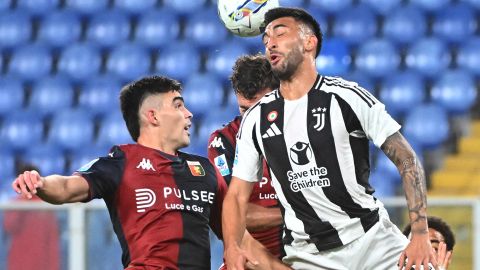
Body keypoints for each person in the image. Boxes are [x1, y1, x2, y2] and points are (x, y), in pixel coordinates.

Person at [222, 7, 437, 270]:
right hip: (309, 257)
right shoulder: (256, 118)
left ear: (309, 43)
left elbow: (407, 159)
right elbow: (235, 197)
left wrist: (420, 234)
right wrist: (232, 247)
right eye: (265, 38)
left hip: (373, 242)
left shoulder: (348, 97)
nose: (270, 42)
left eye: (280, 33)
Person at [11, 76, 282, 270]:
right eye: (178, 105)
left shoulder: (205, 171)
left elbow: (241, 240)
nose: (189, 114)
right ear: (152, 116)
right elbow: (69, 187)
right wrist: (41, 183)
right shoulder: (121, 161)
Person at [207, 55, 283, 263]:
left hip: (308, 255)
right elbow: (236, 215)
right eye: (244, 110)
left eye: (260, 109)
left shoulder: (305, 132)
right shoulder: (224, 142)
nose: (252, 120)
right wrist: (297, 215)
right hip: (252, 258)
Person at [4, 164, 61, 270]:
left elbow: (52, 240)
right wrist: (23, 199)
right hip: (18, 262)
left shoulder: (46, 206)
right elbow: (9, 227)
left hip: (41, 263)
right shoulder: (15, 204)